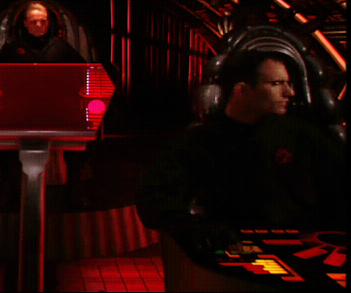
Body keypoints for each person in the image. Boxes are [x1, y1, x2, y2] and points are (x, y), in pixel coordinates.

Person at [136, 50, 346, 254]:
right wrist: (196, 230)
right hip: (238, 252)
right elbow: (155, 198)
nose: (289, 92)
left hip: (309, 251)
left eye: (288, 83)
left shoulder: (304, 136)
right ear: (242, 91)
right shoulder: (201, 142)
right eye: (276, 83)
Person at [0, 1, 91, 208]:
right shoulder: (12, 49)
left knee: (76, 148)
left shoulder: (61, 48)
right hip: (20, 112)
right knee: (6, 151)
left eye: (43, 21)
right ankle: (9, 195)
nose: (39, 25)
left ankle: (73, 195)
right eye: (34, 22)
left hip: (57, 110)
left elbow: (81, 73)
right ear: (25, 23)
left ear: (49, 23)